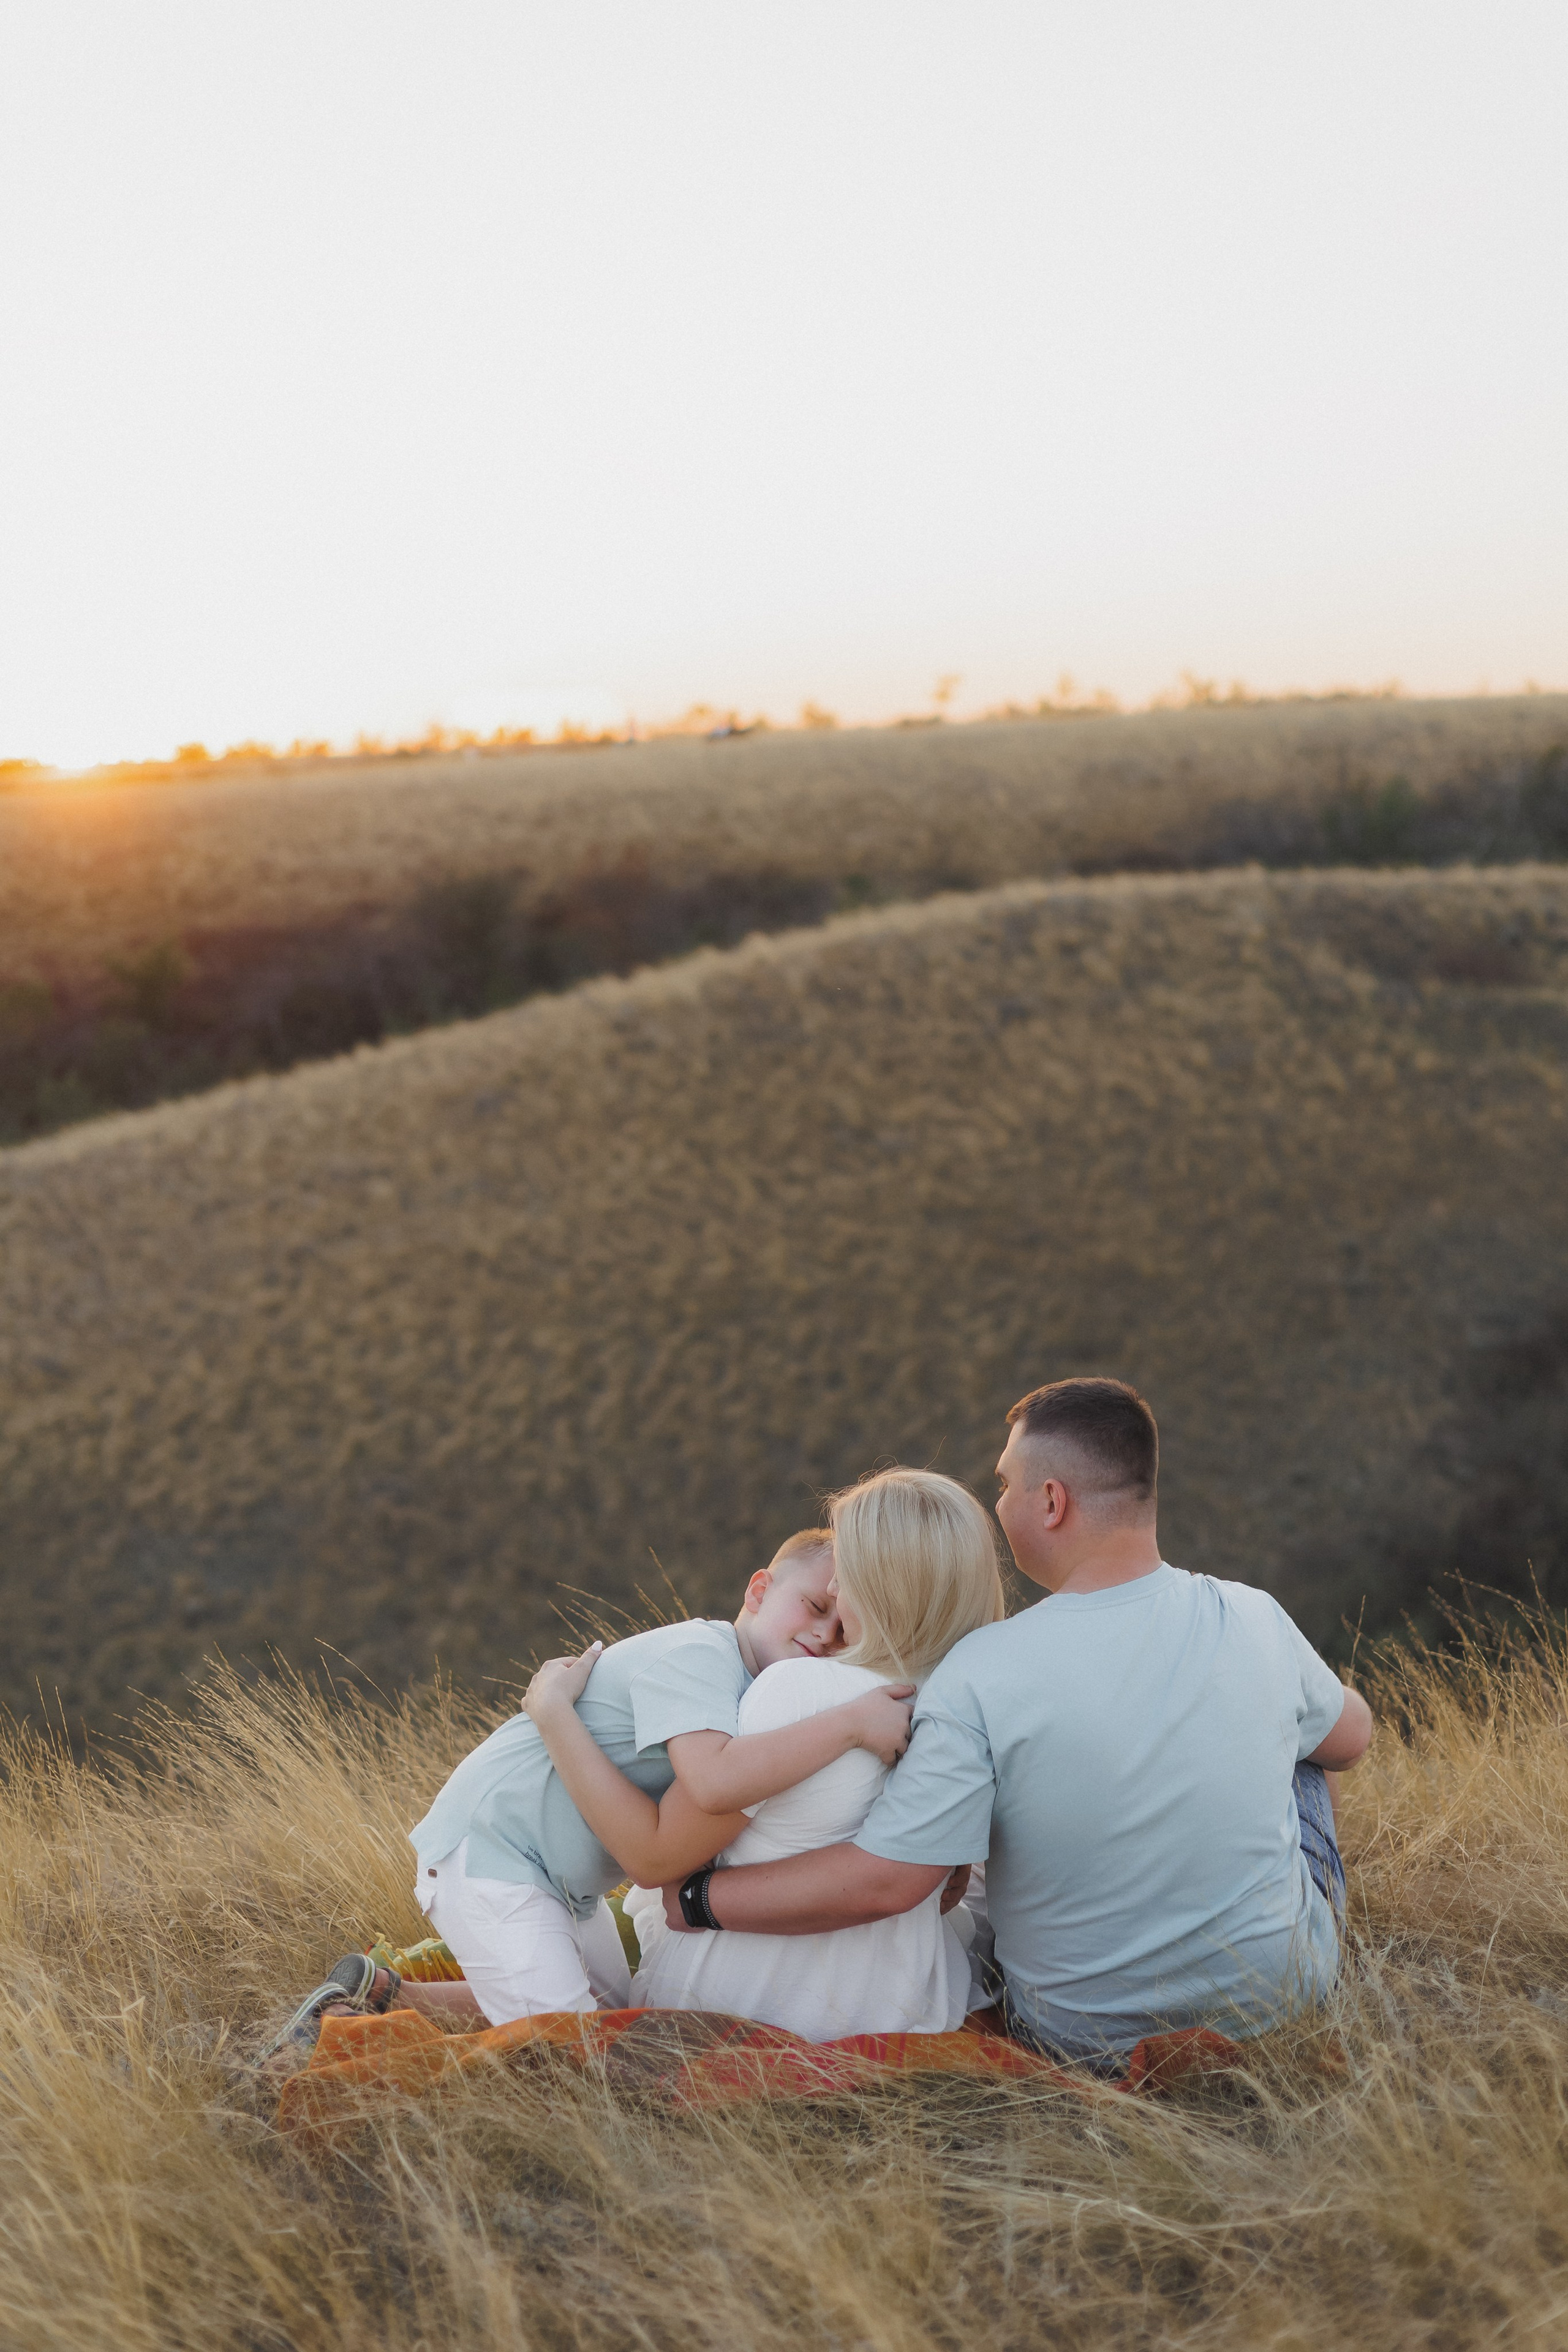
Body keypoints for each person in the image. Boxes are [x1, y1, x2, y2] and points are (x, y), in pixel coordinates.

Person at [657, 1379, 1374, 2070]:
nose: (998, 1505)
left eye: (1005, 1486)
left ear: (1052, 1502)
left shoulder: (980, 1670)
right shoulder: (1251, 1614)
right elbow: (1353, 1739)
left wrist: (696, 1900)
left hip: (1074, 2036)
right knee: (1307, 1754)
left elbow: (890, 1882)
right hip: (1279, 2008)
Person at [269, 1531, 915, 2047]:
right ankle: (349, 2040)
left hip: (561, 1881)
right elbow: (714, 1783)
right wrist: (852, 1724)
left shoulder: (749, 1690)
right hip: (495, 1854)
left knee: (616, 2011)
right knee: (573, 2049)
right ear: (758, 1589)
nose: (824, 1634)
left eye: (841, 1630)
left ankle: (377, 1996)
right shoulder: (700, 1654)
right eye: (815, 1606)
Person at [526, 1468, 1005, 2041]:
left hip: (745, 2004)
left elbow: (656, 1858)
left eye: (846, 1572)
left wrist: (556, 1716)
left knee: (570, 2003)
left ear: (883, 1583)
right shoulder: (968, 1698)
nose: (833, 1591)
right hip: (910, 2004)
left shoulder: (797, 1691)